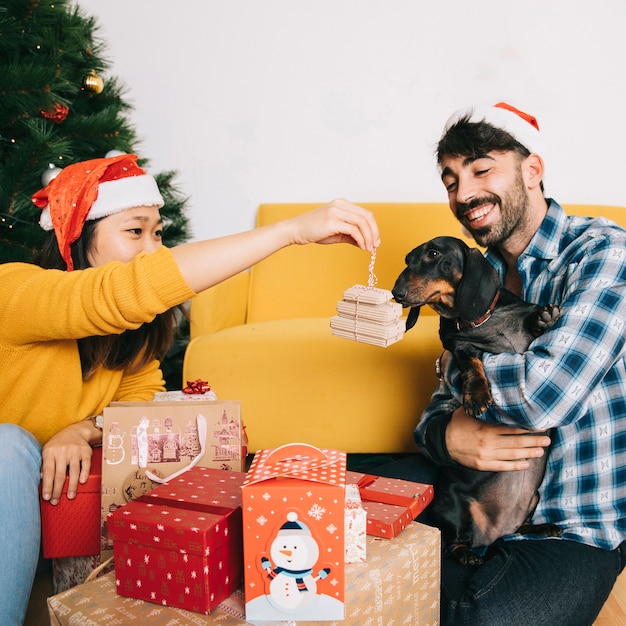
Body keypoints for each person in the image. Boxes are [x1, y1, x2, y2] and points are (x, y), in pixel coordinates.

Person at [0, 153, 380, 625]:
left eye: (158, 233)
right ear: (75, 240)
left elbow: (138, 395)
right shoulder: (15, 288)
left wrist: (83, 428)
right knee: (8, 444)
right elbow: (124, 291)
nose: (153, 248)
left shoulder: (129, 335)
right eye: (134, 230)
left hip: (45, 522)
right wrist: (290, 231)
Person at [376, 102, 626, 625]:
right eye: (451, 181)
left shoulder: (604, 253)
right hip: (467, 492)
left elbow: (545, 395)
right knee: (339, 514)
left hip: (571, 523)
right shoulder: (471, 274)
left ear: (532, 170)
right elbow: (435, 417)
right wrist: (449, 435)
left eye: (481, 169)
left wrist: (459, 375)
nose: (463, 194)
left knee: (480, 615)